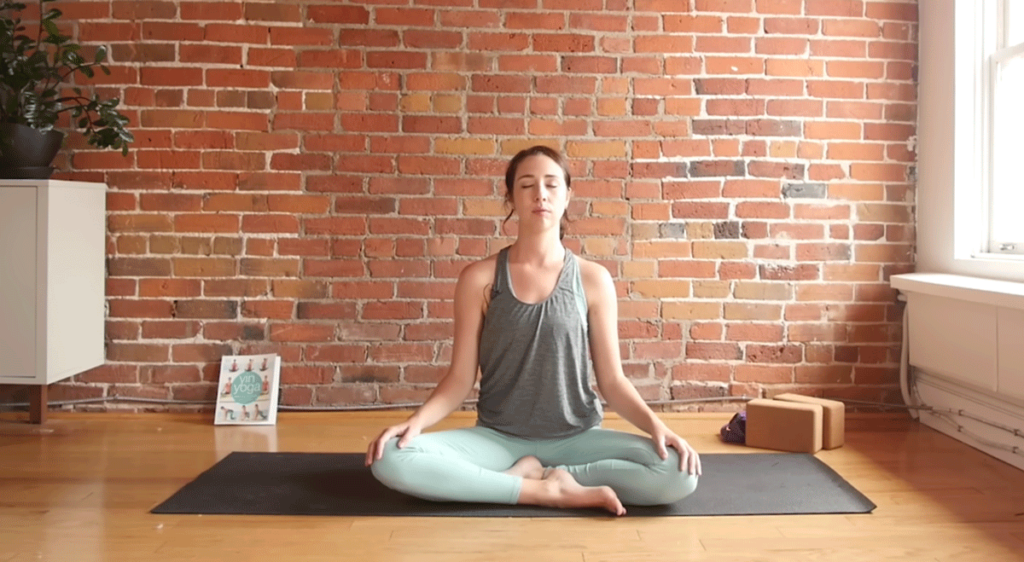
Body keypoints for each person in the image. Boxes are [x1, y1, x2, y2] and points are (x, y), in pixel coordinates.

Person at [365, 145, 700, 516]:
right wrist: (415, 423)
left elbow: (612, 381)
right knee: (391, 457)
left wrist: (657, 427)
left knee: (678, 472)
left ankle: (540, 479)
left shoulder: (593, 279)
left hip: (577, 439)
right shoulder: (479, 278)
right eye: (527, 185)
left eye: (551, 185)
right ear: (511, 197)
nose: (540, 194)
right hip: (498, 439)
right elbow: (460, 379)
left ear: (567, 195)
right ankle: (542, 491)